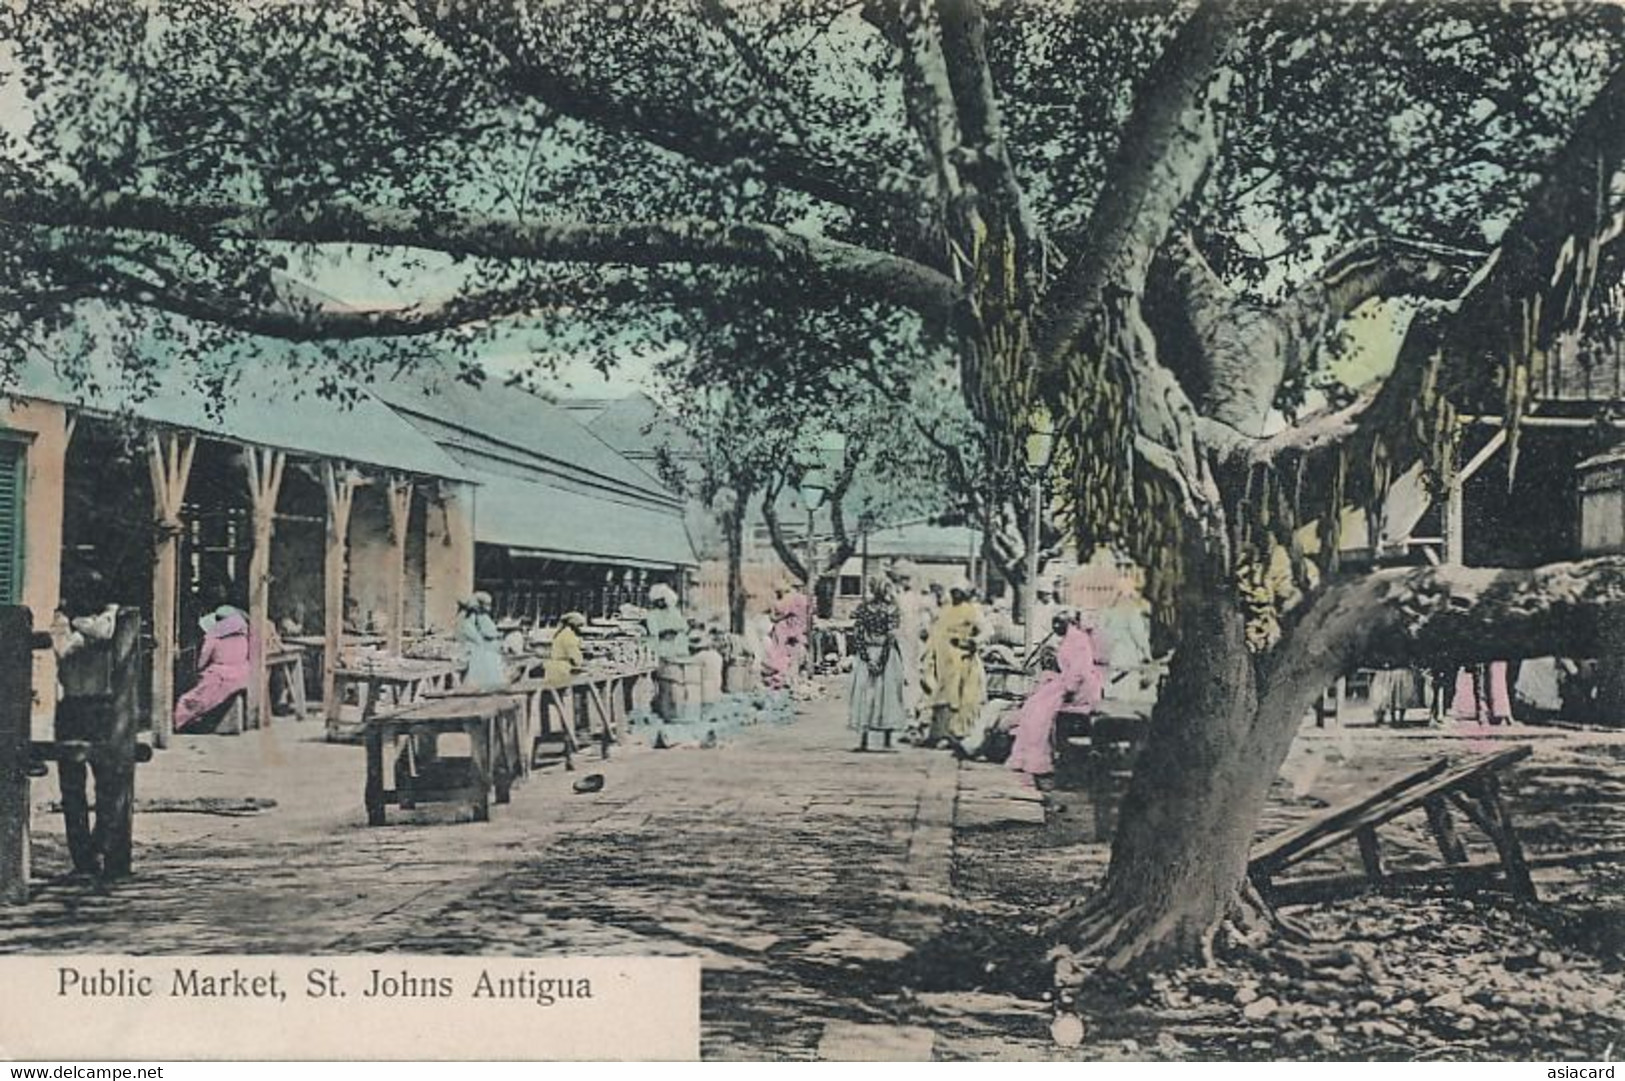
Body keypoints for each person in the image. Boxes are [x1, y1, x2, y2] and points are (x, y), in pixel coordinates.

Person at [1006, 611, 1107, 788]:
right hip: (1066, 681)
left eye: (1059, 624)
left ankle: (1039, 760)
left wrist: (1070, 689)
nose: (1055, 628)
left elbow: (1080, 670)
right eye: (1054, 624)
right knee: (1033, 706)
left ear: (1069, 623)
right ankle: (1028, 757)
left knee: (1043, 711)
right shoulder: (1068, 639)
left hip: (1081, 688)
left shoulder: (1079, 640)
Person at [924, 581, 987, 748]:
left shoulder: (972, 610)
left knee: (961, 694)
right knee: (942, 693)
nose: (955, 595)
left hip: (962, 656)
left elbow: (987, 631)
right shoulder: (946, 610)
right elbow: (937, 632)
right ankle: (940, 733)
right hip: (944, 657)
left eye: (959, 592)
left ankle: (959, 733)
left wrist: (973, 641)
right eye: (953, 592)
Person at [849, 578, 907, 751]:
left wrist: (868, 659)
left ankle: (866, 740)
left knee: (869, 694)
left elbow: (858, 635)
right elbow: (889, 638)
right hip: (884, 655)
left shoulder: (865, 608)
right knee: (885, 694)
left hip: (872, 654)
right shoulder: (892, 609)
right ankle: (885, 740)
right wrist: (878, 662)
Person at [174, 604, 253, 731]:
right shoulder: (243, 636)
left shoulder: (213, 638)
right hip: (243, 673)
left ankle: (183, 723)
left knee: (187, 699)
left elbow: (201, 662)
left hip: (220, 677)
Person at [763, 585, 810, 690]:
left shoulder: (792, 599)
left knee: (781, 654)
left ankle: (783, 677)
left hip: (788, 632)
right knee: (794, 657)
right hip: (798, 630)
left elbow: (778, 615)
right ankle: (792, 677)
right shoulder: (804, 600)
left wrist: (772, 609)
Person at [458, 592, 506, 689]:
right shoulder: (477, 617)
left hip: (485, 649)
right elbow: (483, 633)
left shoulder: (481, 617)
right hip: (481, 650)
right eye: (487, 605)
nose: (489, 607)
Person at [643, 584, 690, 662]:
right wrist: (666, 632)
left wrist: (676, 631)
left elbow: (684, 627)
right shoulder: (652, 614)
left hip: (678, 646)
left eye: (662, 600)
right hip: (662, 647)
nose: (660, 603)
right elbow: (654, 632)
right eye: (658, 600)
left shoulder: (674, 612)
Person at [543, 612, 587, 686]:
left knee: (550, 693)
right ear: (574, 625)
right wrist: (581, 663)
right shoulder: (569, 635)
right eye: (580, 626)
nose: (581, 629)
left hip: (552, 667)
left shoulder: (561, 633)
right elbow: (574, 654)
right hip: (562, 668)